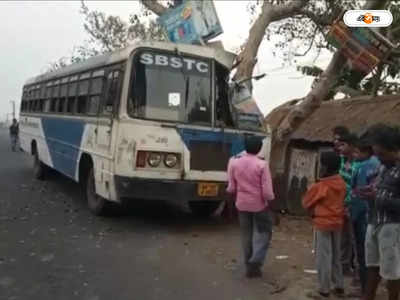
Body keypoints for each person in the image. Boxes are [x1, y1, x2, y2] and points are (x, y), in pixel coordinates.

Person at [361, 125, 400, 300]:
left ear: (396, 150)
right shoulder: (384, 167)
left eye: (382, 154)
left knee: (392, 270)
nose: (379, 158)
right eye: (377, 154)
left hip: (392, 226)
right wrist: (370, 193)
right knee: (372, 265)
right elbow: (379, 190)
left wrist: (380, 198)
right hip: (374, 221)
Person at [226, 136, 275, 278]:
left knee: (246, 236)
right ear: (259, 148)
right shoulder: (262, 165)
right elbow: (267, 191)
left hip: (241, 204)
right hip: (259, 205)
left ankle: (249, 266)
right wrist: (271, 204)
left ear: (245, 147)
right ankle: (255, 261)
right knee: (264, 234)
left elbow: (231, 188)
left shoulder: (234, 163)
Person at [303, 152, 346, 299]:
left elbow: (306, 202)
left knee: (323, 257)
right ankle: (339, 285)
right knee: (336, 256)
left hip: (323, 223)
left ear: (325, 167)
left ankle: (323, 289)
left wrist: (310, 189)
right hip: (338, 222)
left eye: (321, 164)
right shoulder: (341, 182)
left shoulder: (321, 185)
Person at [351, 138, 381, 295]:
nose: (355, 155)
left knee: (364, 254)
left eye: (357, 152)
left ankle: (364, 290)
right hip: (378, 216)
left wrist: (352, 216)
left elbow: (358, 193)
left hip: (364, 214)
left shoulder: (363, 167)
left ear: (366, 152)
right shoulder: (378, 163)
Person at [338, 133, 360, 276]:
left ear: (352, 147)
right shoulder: (341, 161)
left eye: (343, 144)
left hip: (353, 206)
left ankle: (358, 273)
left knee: (355, 239)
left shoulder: (358, 165)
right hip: (340, 205)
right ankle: (343, 267)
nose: (340, 147)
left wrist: (348, 204)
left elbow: (356, 188)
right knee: (343, 238)